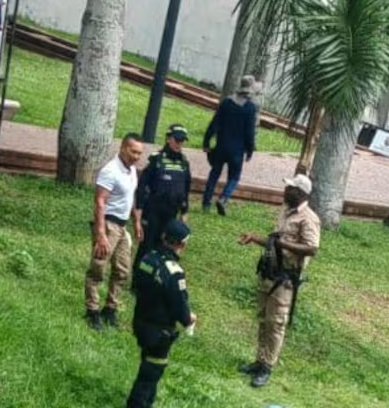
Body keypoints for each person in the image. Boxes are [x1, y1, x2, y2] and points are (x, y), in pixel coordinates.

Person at [237, 174, 321, 388]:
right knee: (263, 319)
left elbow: (312, 248)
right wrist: (255, 238)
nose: (285, 191)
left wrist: (284, 245)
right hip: (270, 273)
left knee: (276, 324)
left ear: (300, 193)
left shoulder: (308, 218)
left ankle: (267, 367)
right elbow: (275, 241)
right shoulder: (285, 210)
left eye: (289, 188)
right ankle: (259, 360)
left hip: (285, 280)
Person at [126, 219, 196, 408]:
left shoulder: (147, 258)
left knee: (148, 366)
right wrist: (189, 318)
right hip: (159, 332)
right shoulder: (174, 272)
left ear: (164, 237)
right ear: (181, 244)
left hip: (141, 321)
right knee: (150, 375)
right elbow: (180, 307)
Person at [85, 133, 145, 331]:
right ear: (123, 148)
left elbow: (131, 197)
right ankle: (92, 311)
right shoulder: (110, 171)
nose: (137, 156)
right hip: (108, 224)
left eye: (139, 153)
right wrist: (101, 234)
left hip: (122, 226)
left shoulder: (131, 170)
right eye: (133, 152)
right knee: (98, 268)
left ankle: (110, 309)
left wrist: (136, 221)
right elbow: (99, 202)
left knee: (122, 270)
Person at [201, 75, 260, 215]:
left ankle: (206, 202)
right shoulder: (250, 108)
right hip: (237, 151)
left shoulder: (227, 102)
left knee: (214, 173)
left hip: (221, 146)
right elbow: (250, 132)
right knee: (234, 177)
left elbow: (214, 124)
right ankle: (224, 198)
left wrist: (206, 141)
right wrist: (250, 150)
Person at [133, 124, 192, 264]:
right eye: (177, 140)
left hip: (171, 213)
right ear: (168, 139)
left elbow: (185, 190)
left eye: (182, 141)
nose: (179, 144)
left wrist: (184, 212)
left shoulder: (184, 163)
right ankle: (139, 274)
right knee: (147, 246)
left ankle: (157, 274)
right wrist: (138, 217)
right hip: (153, 212)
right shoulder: (156, 160)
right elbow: (142, 187)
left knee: (165, 248)